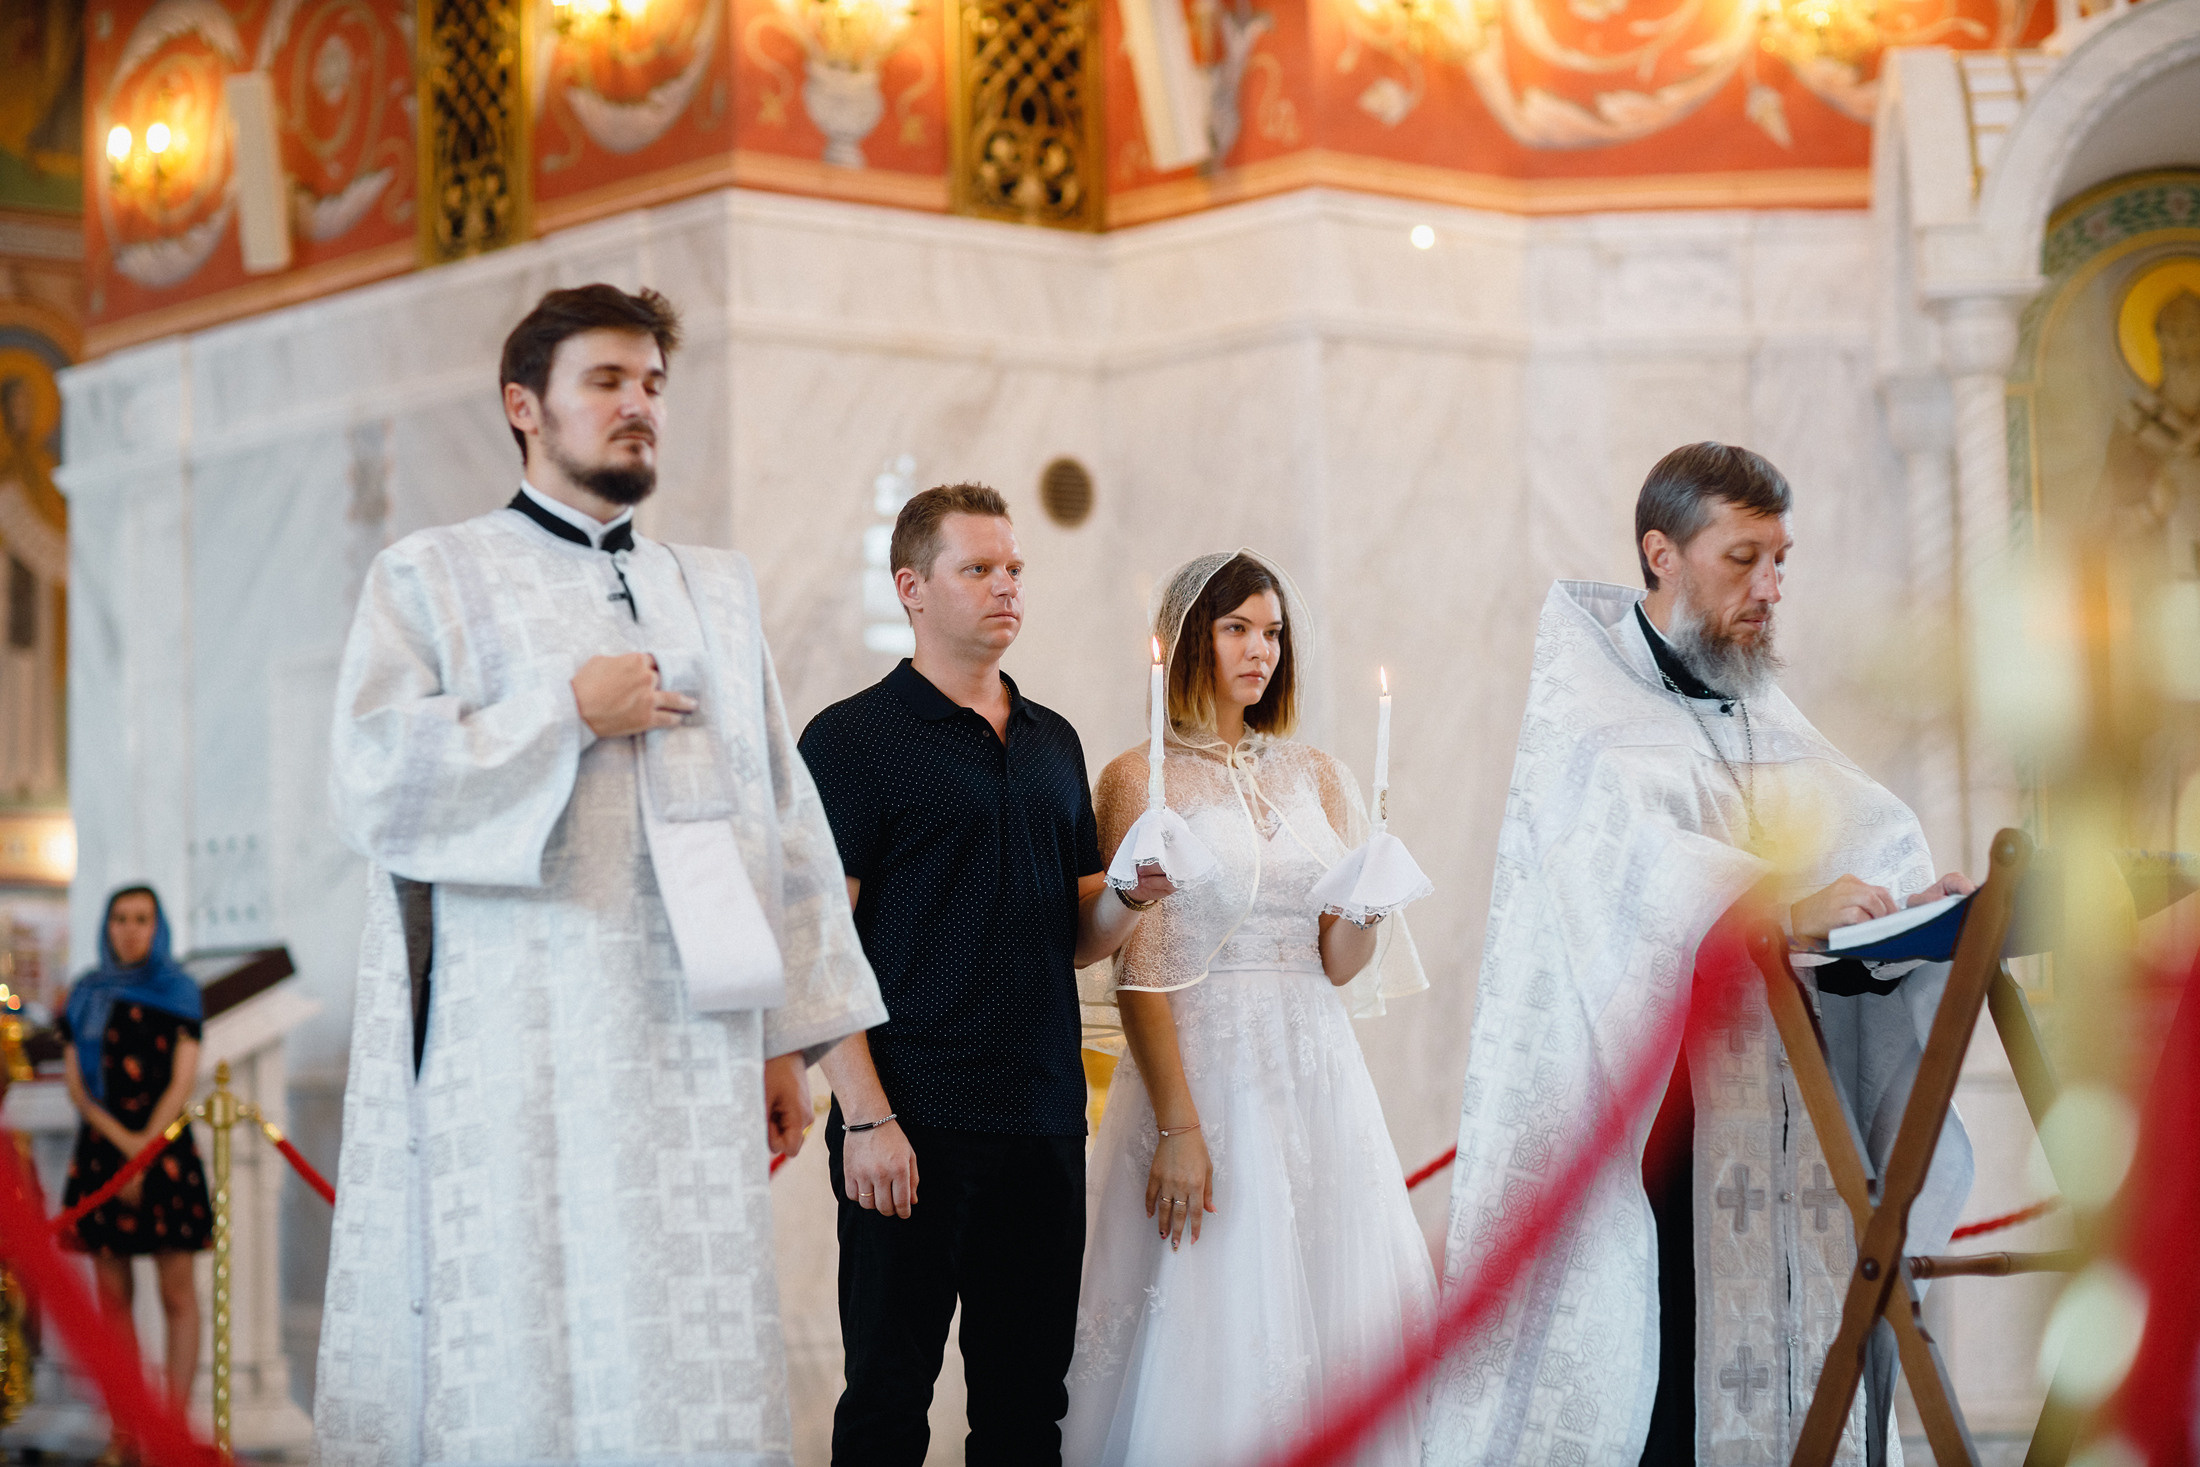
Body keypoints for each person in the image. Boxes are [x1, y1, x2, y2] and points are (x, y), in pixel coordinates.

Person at [312, 285, 886, 1465]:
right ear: (525, 407)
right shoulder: (433, 576)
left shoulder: (712, 589)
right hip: (517, 1049)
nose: (640, 409)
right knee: (535, 1327)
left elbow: (780, 822)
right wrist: (563, 712)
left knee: (683, 1329)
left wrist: (784, 1036)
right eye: (608, 384)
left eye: (654, 387)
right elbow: (373, 777)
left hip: (691, 1049)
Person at [1421, 443, 1978, 1467]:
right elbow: (1630, 876)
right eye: (1743, 559)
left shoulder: (1752, 703)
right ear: (1659, 554)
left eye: (1781, 561)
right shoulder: (1586, 723)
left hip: (1787, 1102)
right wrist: (1776, 896)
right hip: (1657, 1109)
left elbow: (1854, 832)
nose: (1771, 589)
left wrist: (1912, 903)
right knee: (1667, 1365)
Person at [797, 482, 1172, 1467]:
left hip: (1042, 1124)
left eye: (1013, 569)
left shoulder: (1054, 742)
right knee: (887, 1403)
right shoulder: (847, 742)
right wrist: (865, 1118)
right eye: (979, 570)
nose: (1007, 588)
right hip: (909, 1128)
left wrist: (1131, 894)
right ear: (912, 588)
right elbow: (816, 948)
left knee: (1023, 1411)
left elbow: (1075, 934)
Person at [1062, 550, 1435, 1466]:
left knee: (1333, 1302)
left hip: (1316, 1072)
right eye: (1237, 628)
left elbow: (1338, 963)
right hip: (1204, 1075)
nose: (1260, 649)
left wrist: (1367, 907)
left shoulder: (1318, 773)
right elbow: (1137, 969)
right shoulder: (1135, 777)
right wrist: (1181, 1128)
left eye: (1272, 632)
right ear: (1193, 638)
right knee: (1216, 1301)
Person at [57, 886, 209, 1432]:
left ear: (158, 926)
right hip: (104, 1150)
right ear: (106, 925)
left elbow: (183, 1080)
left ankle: (171, 1424)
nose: (130, 929)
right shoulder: (85, 993)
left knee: (176, 1293)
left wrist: (143, 1148)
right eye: (120, 918)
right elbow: (79, 1087)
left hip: (164, 1148)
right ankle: (128, 1427)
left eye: (142, 919)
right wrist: (125, 1149)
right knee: (114, 1297)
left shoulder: (180, 992)